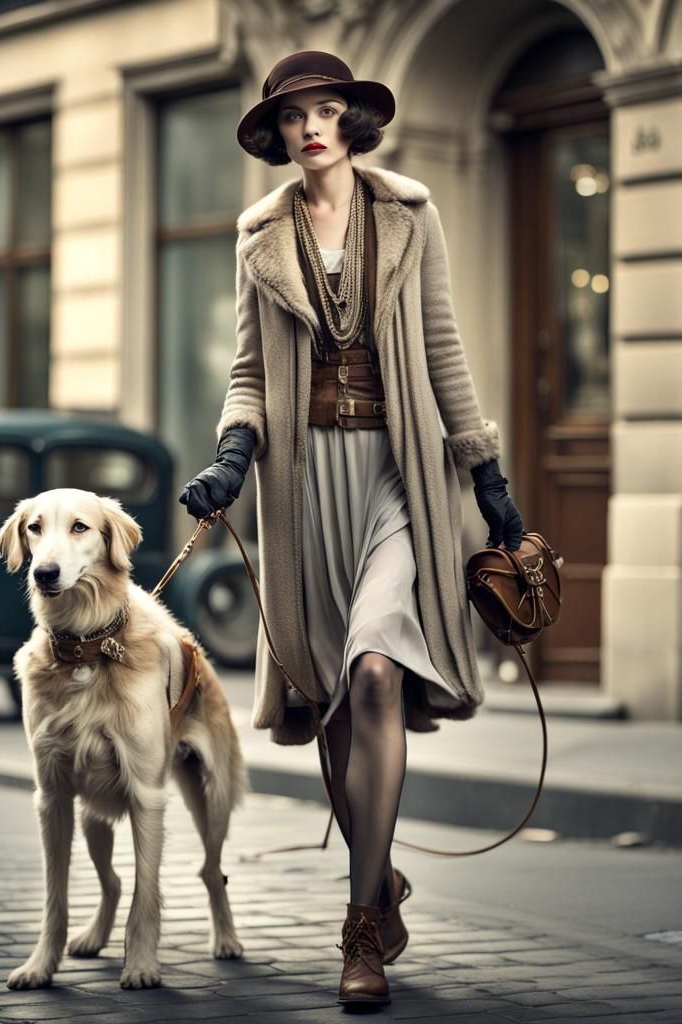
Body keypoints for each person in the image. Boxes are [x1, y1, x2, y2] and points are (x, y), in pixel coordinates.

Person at [179, 50, 523, 1007]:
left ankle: (360, 927)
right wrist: (232, 456)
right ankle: (381, 877)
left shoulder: (411, 215)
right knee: (330, 696)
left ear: (353, 121)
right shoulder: (259, 237)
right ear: (277, 133)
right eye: (295, 117)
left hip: (397, 476)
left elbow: (444, 349)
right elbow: (248, 372)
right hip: (301, 486)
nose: (312, 129)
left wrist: (486, 473)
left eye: (327, 111)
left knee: (375, 669)